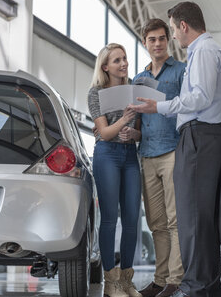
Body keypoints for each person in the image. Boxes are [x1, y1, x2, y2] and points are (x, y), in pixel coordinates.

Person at [128, 2, 221, 297]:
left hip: (199, 136)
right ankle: (205, 286)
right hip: (197, 137)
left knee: (192, 218)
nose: (172, 36)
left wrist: (157, 106)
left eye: (171, 30)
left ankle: (196, 287)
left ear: (183, 26)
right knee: (195, 217)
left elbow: (199, 98)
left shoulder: (202, 52)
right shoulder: (205, 51)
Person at [133, 18, 185, 297]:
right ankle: (160, 278)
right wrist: (132, 134)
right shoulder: (138, 79)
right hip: (147, 154)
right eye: (152, 39)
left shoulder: (181, 72)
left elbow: (189, 109)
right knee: (156, 223)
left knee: (175, 220)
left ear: (169, 40)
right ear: (145, 43)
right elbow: (139, 122)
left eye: (162, 38)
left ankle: (176, 280)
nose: (157, 44)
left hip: (173, 151)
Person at [87, 43, 143, 297]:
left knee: (132, 218)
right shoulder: (95, 93)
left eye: (125, 58)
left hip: (130, 155)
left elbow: (140, 131)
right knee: (110, 218)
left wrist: (134, 132)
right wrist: (123, 119)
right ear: (105, 66)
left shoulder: (135, 90)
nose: (123, 64)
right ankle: (110, 282)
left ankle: (126, 280)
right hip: (107, 155)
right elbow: (105, 133)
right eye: (117, 60)